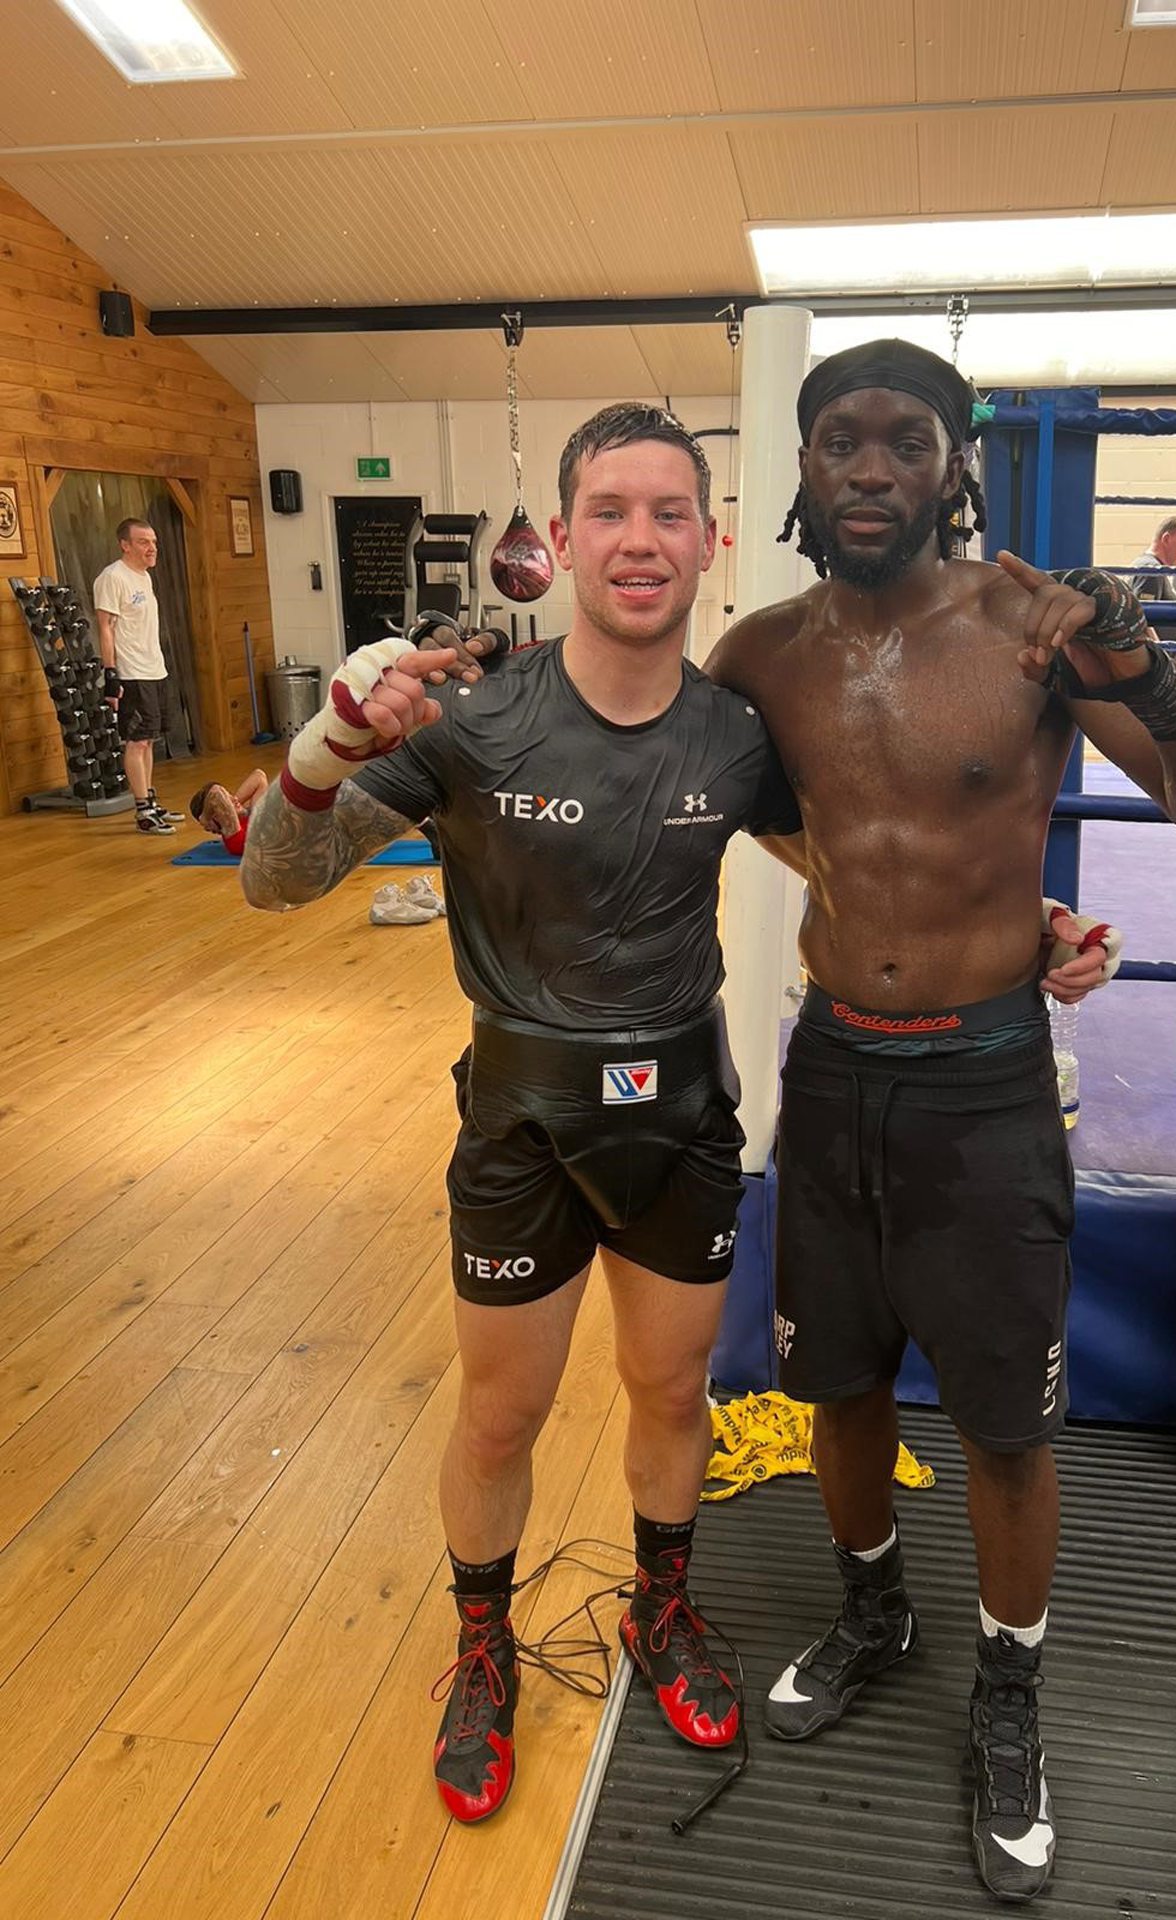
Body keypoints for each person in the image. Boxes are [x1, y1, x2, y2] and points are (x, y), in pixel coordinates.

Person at [706, 339, 1176, 1904]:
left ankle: (1008, 1687)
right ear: (806, 469)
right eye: (840, 440)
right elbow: (790, 821)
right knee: (836, 1383)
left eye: (906, 441)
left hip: (986, 1088)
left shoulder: (1032, 632)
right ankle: (876, 1607)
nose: (871, 466)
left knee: (1008, 1428)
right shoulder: (757, 656)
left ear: (957, 465)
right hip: (833, 1075)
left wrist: (1148, 669)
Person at [239, 403, 809, 1827]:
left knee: (675, 1392)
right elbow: (275, 878)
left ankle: (657, 1613)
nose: (639, 537)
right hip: (523, 1124)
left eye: (669, 511)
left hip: (678, 1116)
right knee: (504, 1414)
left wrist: (1020, 935)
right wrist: (321, 741)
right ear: (556, 543)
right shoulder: (472, 721)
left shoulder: (741, 737)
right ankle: (481, 1647)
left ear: (708, 540)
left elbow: (861, 874)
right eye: (608, 510)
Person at [94, 518, 182, 834]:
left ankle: (151, 800)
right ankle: (143, 812)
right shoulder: (112, 578)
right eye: (144, 542)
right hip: (131, 673)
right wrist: (111, 672)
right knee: (137, 741)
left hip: (154, 668)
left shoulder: (144, 577)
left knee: (149, 740)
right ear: (125, 545)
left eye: (154, 542)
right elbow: (105, 627)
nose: (151, 548)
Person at [1128, 514, 1176, 655]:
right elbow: (1143, 620)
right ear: (1166, 539)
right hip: (1158, 668)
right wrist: (1162, 661)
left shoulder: (1150, 568)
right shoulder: (1152, 570)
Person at [189, 768, 269, 854]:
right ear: (217, 815)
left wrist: (233, 804)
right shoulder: (235, 837)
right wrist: (205, 818)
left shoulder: (250, 816)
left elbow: (259, 776)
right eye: (226, 800)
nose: (234, 798)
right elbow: (216, 792)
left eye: (229, 796)